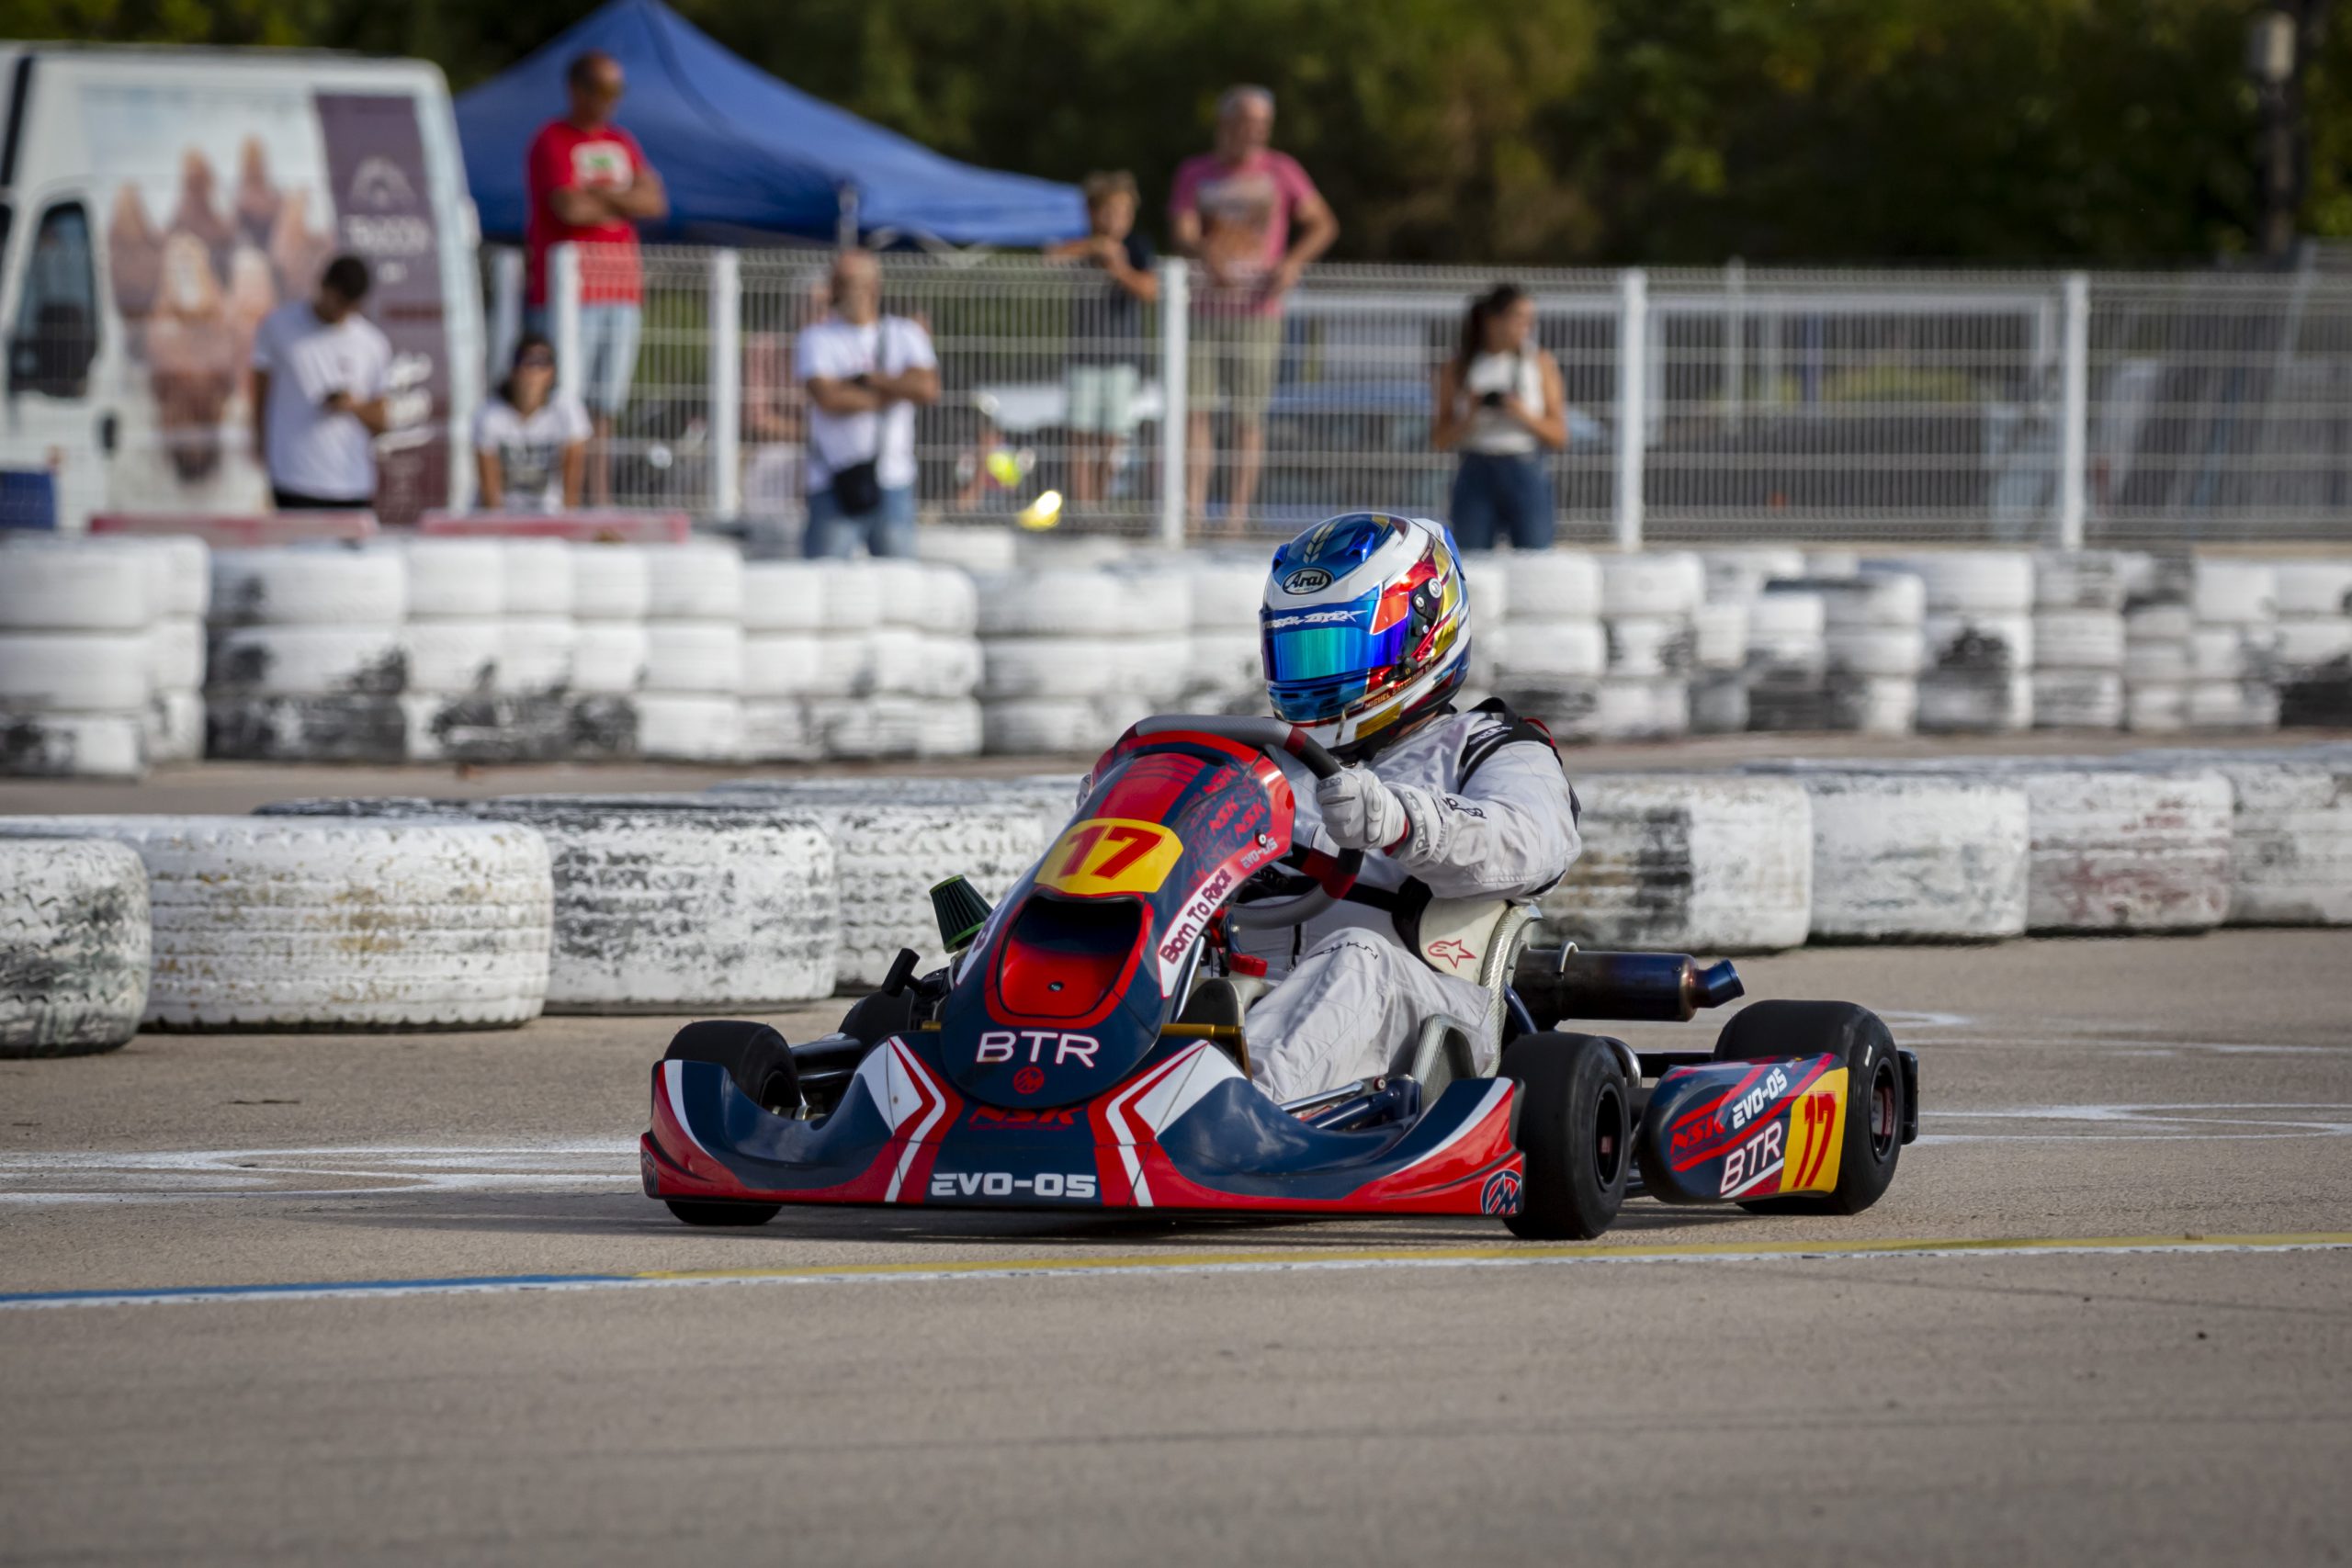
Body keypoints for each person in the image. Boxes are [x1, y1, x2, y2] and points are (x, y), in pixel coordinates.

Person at [1236, 511, 1581, 1102]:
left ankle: (1232, 1111)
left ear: (1419, 636)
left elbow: (1529, 842)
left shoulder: (1491, 745)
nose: (1315, 676)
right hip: (1244, 987)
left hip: (1420, 1010)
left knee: (1355, 958)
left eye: (1333, 650)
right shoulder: (1258, 757)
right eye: (1299, 654)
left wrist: (1400, 821)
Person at [1169, 85, 1339, 534]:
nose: (1256, 132)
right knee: (1196, 410)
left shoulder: (1283, 170)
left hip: (1259, 311)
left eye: (1263, 124)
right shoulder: (1195, 172)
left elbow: (1323, 223)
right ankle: (1193, 512)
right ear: (1226, 124)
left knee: (1249, 415)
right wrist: (1207, 253)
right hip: (1203, 309)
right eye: (1247, 122)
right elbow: (1183, 229)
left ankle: (1236, 517)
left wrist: (1292, 263)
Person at [525, 50, 668, 506]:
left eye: (617, 90)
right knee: (566, 402)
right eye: (602, 89)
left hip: (621, 292)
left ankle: (598, 500)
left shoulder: (622, 140)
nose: (611, 100)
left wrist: (599, 196)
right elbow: (568, 207)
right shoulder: (552, 139)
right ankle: (561, 498)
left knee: (605, 407)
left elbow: (655, 201)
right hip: (570, 295)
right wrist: (624, 197)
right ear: (576, 89)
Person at [797, 249, 940, 558]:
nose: (839, 289)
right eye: (837, 281)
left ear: (873, 286)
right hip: (833, 479)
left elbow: (927, 388)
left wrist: (868, 379)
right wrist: (896, 390)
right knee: (825, 573)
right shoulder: (816, 338)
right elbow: (829, 398)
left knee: (899, 575)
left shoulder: (905, 333)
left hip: (893, 478)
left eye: (848, 281)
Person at [1045, 171, 1158, 510]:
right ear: (1093, 213)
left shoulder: (1137, 247)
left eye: (1124, 212)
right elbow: (1050, 259)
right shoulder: (1081, 244)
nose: (1117, 219)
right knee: (1079, 435)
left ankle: (1100, 502)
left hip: (1122, 359)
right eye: (1109, 211)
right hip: (1083, 357)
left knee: (1112, 437)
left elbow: (1150, 290)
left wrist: (1118, 268)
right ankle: (1082, 507)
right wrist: (1093, 247)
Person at [249, 254, 390, 512]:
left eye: (349, 306)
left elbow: (382, 422)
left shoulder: (373, 344)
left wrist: (352, 405)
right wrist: (260, 445)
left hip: (352, 483)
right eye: (338, 301)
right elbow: (260, 393)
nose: (340, 311)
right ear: (323, 286)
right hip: (293, 479)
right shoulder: (277, 326)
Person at [1432, 283, 1567, 551]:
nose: (1526, 327)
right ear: (1493, 320)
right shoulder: (1459, 366)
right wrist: (1469, 416)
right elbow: (1438, 439)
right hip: (1475, 468)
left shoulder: (1539, 362)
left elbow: (1560, 435)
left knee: (1535, 555)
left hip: (1525, 466)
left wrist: (1522, 413)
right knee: (1471, 556)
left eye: (1530, 320)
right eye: (1519, 318)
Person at [473, 333, 589, 513]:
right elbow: (489, 491)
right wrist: (500, 524)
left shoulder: (566, 411)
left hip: (549, 515)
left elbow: (572, 487)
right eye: (527, 361)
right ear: (514, 369)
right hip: (504, 516)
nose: (534, 371)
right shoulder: (490, 414)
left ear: (552, 372)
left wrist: (566, 521)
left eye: (542, 362)